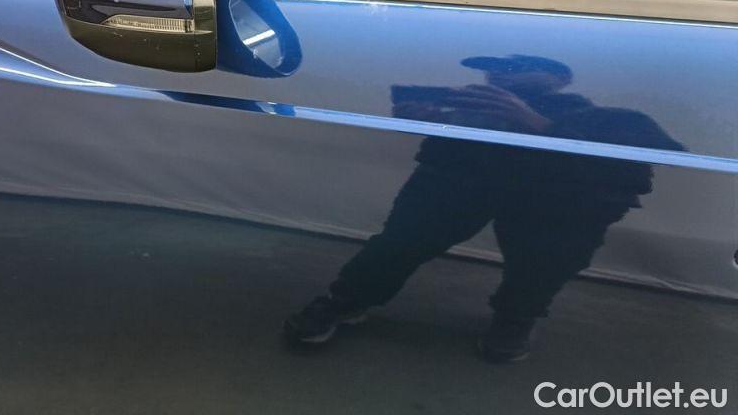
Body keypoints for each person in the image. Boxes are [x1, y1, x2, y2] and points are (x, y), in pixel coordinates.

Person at [283, 55, 682, 362]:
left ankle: (515, 320)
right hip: (463, 183)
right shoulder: (472, 107)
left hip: (558, 201)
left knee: (542, 266)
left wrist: (537, 123)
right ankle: (346, 301)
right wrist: (426, 120)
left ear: (562, 79)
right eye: (494, 69)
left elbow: (660, 156)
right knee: (400, 243)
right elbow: (432, 162)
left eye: (520, 67)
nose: (501, 74)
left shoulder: (616, 119)